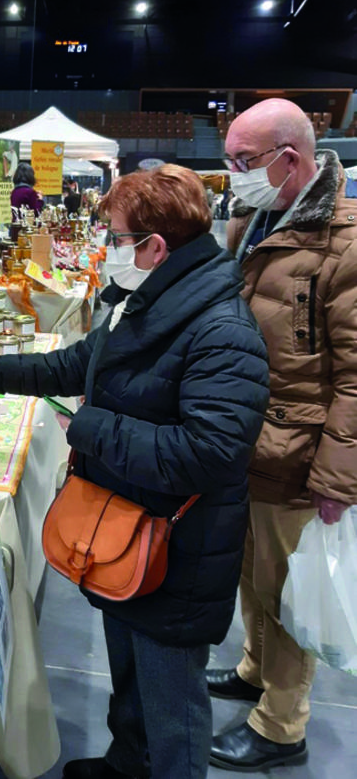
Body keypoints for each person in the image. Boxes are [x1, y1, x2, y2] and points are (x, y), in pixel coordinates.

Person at [0, 164, 270, 778]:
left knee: (171, 694)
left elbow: (209, 452)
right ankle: (128, 762)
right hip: (127, 525)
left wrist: (91, 427)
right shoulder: (152, 299)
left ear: (155, 247)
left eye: (119, 238)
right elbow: (77, 364)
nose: (109, 249)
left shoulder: (220, 330)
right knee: (128, 665)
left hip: (176, 545)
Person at [208, 99, 357, 772]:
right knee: (251, 574)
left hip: (297, 455)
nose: (231, 173)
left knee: (286, 591)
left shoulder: (343, 242)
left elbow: (356, 377)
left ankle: (280, 725)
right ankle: (252, 669)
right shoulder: (257, 219)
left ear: (287, 159)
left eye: (242, 162)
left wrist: (334, 479)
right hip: (248, 440)